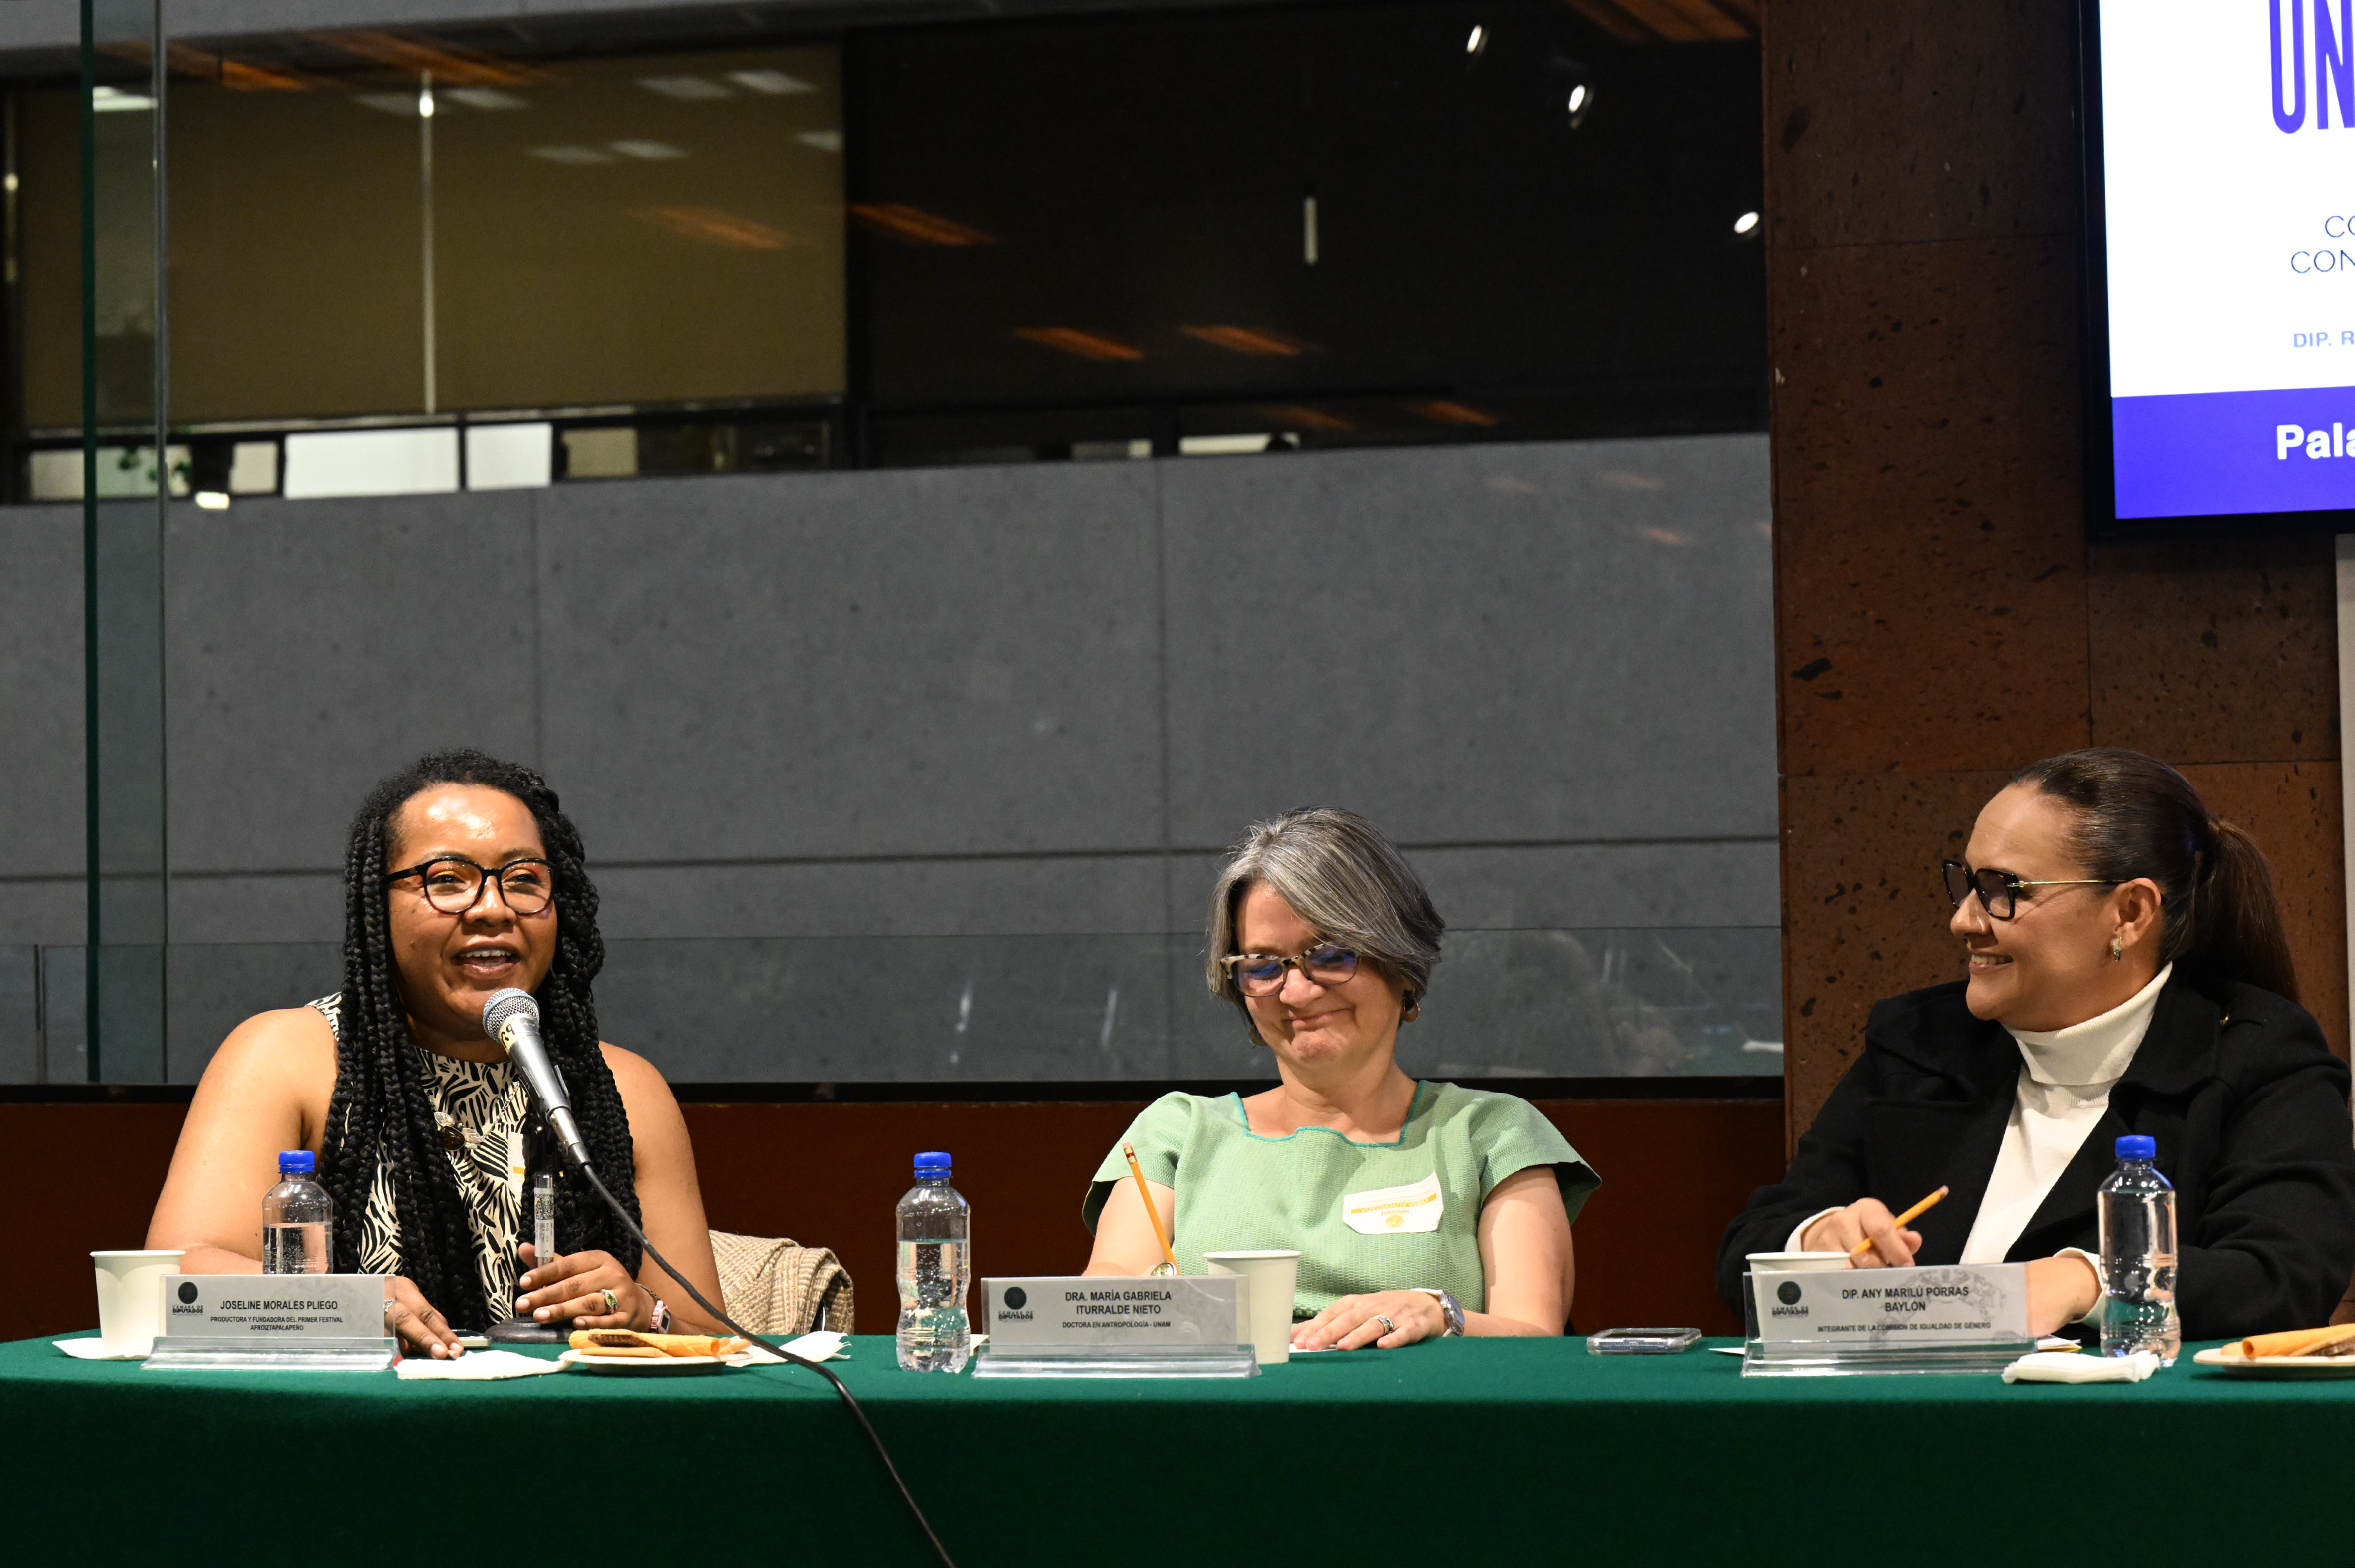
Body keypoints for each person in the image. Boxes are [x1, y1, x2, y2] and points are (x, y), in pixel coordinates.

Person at [1718, 748, 2355, 1339]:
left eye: (2004, 891)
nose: (1964, 919)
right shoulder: (1919, 1042)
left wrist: (2092, 1281)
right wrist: (1817, 1241)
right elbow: (1747, 1250)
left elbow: (2285, 1275)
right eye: (1967, 883)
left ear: (2130, 913)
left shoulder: (2256, 1056)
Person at [147, 749, 727, 1357]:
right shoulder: (287, 1056)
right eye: (446, 880)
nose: (493, 908)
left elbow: (714, 1340)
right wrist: (345, 1305)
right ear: (376, 906)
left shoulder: (623, 1088)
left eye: (525, 879)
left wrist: (645, 1312)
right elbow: (171, 1280)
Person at [1083, 807, 1598, 1348]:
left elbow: (1535, 1336)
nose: (1296, 991)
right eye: (1263, 966)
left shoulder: (1493, 1133)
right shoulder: (1178, 1133)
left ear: (1401, 964)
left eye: (1330, 956)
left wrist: (1439, 1312)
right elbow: (1104, 1306)